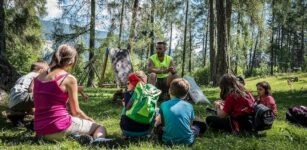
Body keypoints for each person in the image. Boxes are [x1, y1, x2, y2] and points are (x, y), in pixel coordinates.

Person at [33, 44, 111, 145]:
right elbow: (76, 112)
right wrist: (91, 121)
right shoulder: (69, 79)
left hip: (40, 131)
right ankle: (99, 141)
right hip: (59, 127)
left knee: (74, 125)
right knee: (99, 127)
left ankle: (76, 137)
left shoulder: (38, 78)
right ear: (71, 60)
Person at [155, 78, 200, 145]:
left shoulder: (163, 105)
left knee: (159, 128)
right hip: (187, 141)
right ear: (186, 94)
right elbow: (190, 125)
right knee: (197, 128)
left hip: (168, 141)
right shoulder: (189, 106)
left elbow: (163, 123)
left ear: (169, 91)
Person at [7, 60, 49, 127]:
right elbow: (31, 90)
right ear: (41, 71)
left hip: (12, 103)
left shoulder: (24, 77)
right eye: (46, 71)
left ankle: (16, 118)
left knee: (28, 101)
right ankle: (35, 124)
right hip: (23, 98)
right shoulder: (37, 76)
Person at [119, 71, 157, 137]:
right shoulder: (150, 94)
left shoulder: (128, 94)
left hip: (127, 131)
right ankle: (150, 133)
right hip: (145, 132)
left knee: (124, 109)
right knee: (155, 110)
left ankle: (125, 134)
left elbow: (127, 108)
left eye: (128, 83)